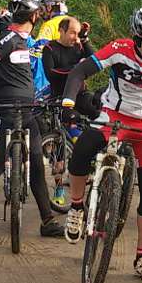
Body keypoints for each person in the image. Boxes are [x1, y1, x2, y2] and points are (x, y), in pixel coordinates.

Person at [58, 8, 142, 282]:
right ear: (139, 42)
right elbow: (79, 72)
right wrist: (68, 103)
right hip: (115, 114)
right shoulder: (120, 49)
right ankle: (75, 206)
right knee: (83, 148)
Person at [0, 0, 66, 241]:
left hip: (28, 110)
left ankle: (48, 220)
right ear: (33, 16)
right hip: (5, 111)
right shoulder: (8, 39)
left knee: (36, 167)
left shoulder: (29, 42)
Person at [42, 17, 93, 208]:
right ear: (61, 31)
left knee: (99, 111)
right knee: (59, 147)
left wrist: (85, 40)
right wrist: (75, 69)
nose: (75, 37)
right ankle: (59, 189)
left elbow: (94, 60)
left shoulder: (79, 45)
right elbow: (51, 74)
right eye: (72, 32)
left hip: (81, 94)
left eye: (78, 32)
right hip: (59, 97)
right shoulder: (49, 49)